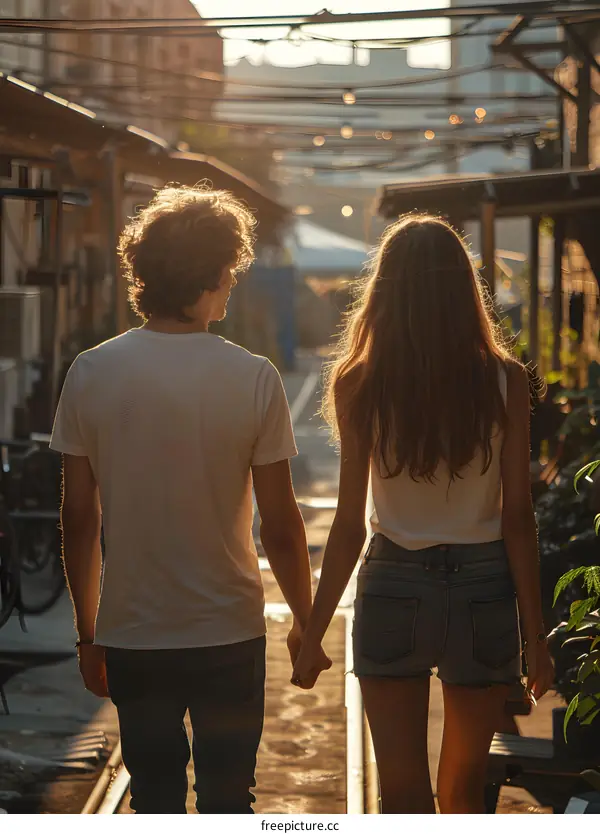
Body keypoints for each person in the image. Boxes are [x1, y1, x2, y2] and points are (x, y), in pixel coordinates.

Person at [50, 185, 330, 814]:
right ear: (210, 275)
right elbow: (280, 528)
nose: (232, 285)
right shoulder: (253, 377)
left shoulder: (91, 372)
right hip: (226, 633)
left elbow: (78, 516)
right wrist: (305, 622)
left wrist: (88, 633)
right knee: (231, 797)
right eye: (230, 272)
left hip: (132, 633)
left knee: (152, 797)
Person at [291, 214, 555, 813]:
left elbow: (349, 521)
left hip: (392, 584)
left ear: (384, 292)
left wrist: (314, 628)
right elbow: (518, 517)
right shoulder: (506, 380)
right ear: (466, 291)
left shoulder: (358, 382)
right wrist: (535, 636)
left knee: (402, 790)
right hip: (485, 587)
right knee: (462, 788)